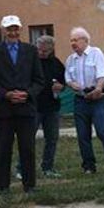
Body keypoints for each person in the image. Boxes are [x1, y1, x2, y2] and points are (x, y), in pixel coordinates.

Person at [0, 15, 45, 196]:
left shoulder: (31, 50)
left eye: (16, 28)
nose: (13, 32)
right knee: (3, 148)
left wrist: (28, 93)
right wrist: (5, 94)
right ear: (3, 31)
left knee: (28, 148)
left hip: (26, 108)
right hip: (3, 109)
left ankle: (29, 185)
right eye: (9, 29)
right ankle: (3, 186)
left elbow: (39, 80)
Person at [65, 27, 104, 175]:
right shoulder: (71, 59)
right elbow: (68, 78)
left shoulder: (96, 53)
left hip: (97, 98)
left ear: (85, 40)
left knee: (102, 131)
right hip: (80, 99)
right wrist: (72, 84)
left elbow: (102, 74)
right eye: (71, 40)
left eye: (75, 40)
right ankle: (88, 166)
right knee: (83, 135)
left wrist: (98, 88)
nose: (73, 43)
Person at [31, 36, 65, 179]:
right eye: (40, 49)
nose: (42, 53)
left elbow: (64, 82)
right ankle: (22, 167)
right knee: (28, 138)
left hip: (52, 107)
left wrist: (61, 86)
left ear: (51, 50)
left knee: (52, 139)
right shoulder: (30, 62)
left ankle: (48, 167)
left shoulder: (56, 63)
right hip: (34, 106)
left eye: (46, 50)